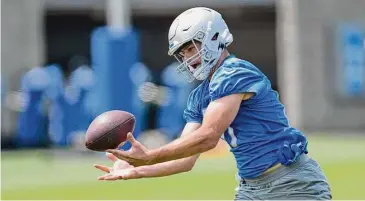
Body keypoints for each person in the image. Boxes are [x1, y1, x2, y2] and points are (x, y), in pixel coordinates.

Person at [94, 7, 332, 200]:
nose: (188, 58)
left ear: (213, 38)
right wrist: (136, 169)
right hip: (252, 189)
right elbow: (185, 160)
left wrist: (151, 155)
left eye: (190, 47)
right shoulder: (200, 96)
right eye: (183, 53)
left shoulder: (234, 72)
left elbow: (208, 138)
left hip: (291, 183)